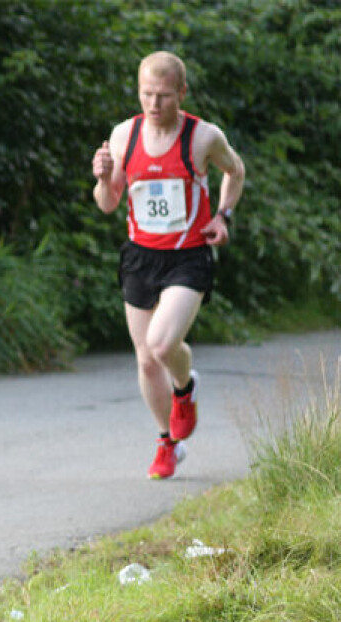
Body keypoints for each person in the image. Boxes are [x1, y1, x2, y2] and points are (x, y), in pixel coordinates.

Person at [92, 51, 245, 480]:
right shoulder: (124, 135)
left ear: (182, 93)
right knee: (145, 361)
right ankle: (167, 443)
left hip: (188, 255)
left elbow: (236, 171)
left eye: (163, 96)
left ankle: (185, 388)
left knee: (162, 345)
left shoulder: (202, 138)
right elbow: (108, 204)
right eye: (146, 94)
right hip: (141, 256)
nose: (154, 104)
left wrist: (223, 215)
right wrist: (103, 179)